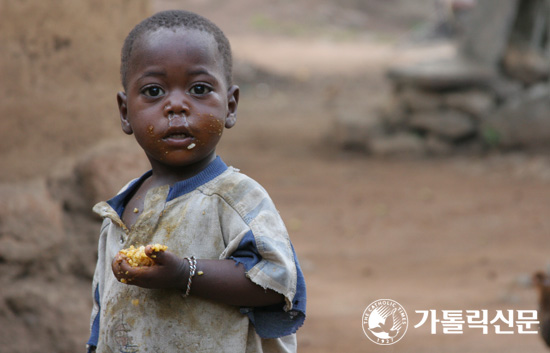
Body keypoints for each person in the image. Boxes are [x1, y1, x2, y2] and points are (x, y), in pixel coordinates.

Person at [86, 10, 306, 353]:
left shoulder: (237, 199)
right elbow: (104, 304)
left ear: (230, 105)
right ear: (125, 112)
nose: (176, 105)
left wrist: (183, 275)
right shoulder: (120, 206)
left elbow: (278, 283)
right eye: (154, 91)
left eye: (199, 89)